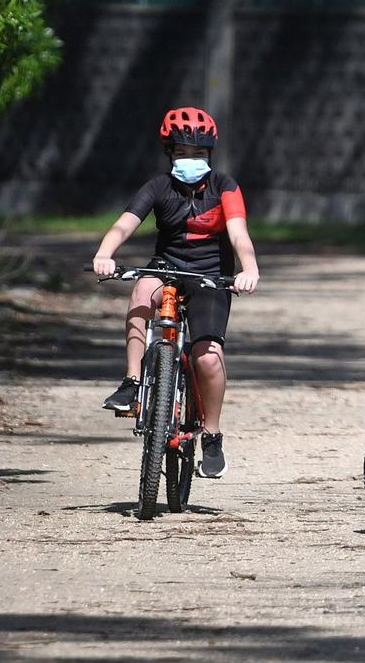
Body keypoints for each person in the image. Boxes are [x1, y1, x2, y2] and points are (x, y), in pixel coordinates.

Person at [91, 106, 260, 479]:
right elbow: (124, 225)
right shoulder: (157, 187)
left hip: (210, 275)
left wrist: (249, 269)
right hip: (165, 267)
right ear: (170, 153)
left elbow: (239, 234)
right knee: (140, 294)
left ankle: (212, 434)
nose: (191, 160)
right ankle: (132, 382)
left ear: (210, 155)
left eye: (198, 154)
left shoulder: (225, 186)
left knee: (208, 359)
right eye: (183, 153)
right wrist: (105, 253)